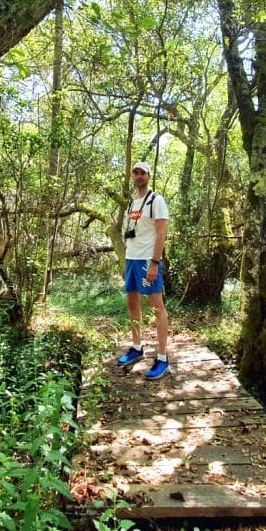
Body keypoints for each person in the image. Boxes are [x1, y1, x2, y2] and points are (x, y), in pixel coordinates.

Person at [116, 161, 170, 380]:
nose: (139, 176)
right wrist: (125, 263)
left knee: (157, 307)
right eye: (135, 172)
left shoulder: (156, 201)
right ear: (132, 176)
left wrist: (155, 263)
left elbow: (161, 234)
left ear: (149, 176)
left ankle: (163, 358)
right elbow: (131, 233)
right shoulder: (132, 203)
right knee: (132, 304)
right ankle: (137, 347)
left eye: (143, 173)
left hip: (148, 260)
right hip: (132, 259)